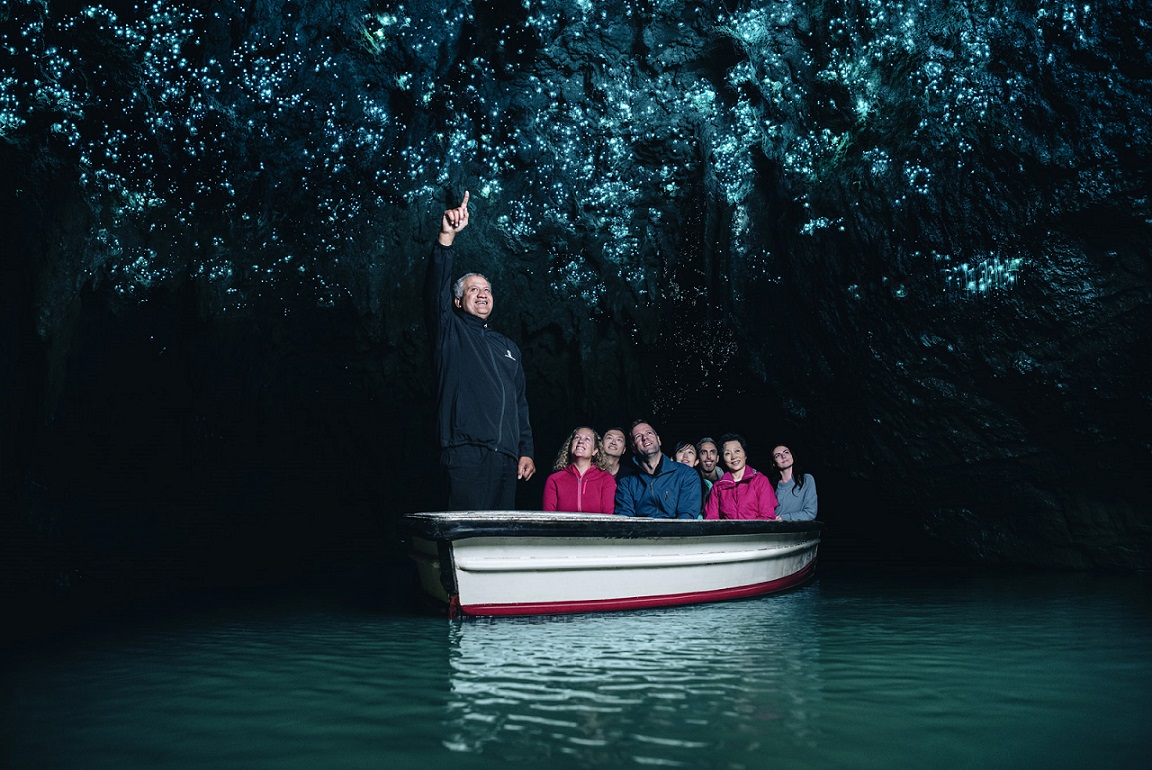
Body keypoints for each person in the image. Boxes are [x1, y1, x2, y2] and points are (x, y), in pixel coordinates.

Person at [425, 191, 535, 510]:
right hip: (464, 452)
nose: (483, 294)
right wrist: (447, 237)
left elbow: (520, 403)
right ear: (458, 300)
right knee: (465, 532)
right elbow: (435, 293)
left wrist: (525, 449)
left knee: (498, 538)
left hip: (506, 458)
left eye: (487, 290)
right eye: (474, 289)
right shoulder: (451, 330)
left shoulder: (508, 347)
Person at [614, 421, 702, 518]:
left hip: (677, 532)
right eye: (638, 436)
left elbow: (687, 518)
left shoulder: (687, 474)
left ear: (659, 440)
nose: (645, 438)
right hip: (641, 532)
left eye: (649, 433)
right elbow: (625, 521)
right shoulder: (626, 483)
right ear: (633, 448)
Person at [704, 433, 779, 520]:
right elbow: (712, 519)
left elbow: (767, 516)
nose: (733, 457)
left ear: (745, 455)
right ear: (723, 459)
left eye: (737, 451)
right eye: (727, 453)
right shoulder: (718, 487)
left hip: (756, 532)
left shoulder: (760, 481)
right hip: (728, 533)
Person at [542, 427, 616, 514]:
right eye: (577, 437)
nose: (581, 441)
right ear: (570, 446)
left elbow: (608, 518)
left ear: (595, 451)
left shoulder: (606, 479)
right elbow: (548, 519)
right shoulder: (554, 480)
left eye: (587, 439)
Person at [771, 445, 818, 521]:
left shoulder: (806, 480)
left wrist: (784, 518)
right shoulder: (772, 486)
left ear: (792, 456)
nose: (783, 456)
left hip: (797, 530)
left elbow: (810, 513)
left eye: (786, 452)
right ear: (774, 463)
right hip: (775, 529)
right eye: (778, 455)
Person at [674, 440, 710, 510]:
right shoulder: (666, 482)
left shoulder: (707, 485)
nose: (685, 456)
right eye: (681, 451)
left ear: (696, 461)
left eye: (690, 452)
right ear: (672, 459)